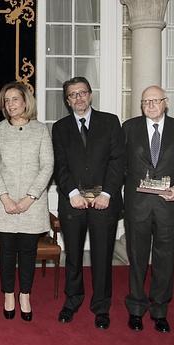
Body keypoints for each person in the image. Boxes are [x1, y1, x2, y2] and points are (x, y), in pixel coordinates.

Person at [52, 76, 125, 327]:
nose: (78, 98)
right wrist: (72, 193)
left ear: (90, 95)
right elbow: (59, 165)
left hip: (104, 201)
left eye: (82, 93)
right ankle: (72, 300)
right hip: (72, 202)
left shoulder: (110, 122)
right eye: (72, 95)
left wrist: (107, 194)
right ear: (67, 100)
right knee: (72, 255)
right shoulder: (60, 128)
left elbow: (118, 162)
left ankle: (101, 306)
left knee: (102, 256)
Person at [122, 86, 174, 333]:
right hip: (138, 206)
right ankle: (135, 309)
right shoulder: (129, 128)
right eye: (145, 102)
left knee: (164, 262)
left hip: (168, 205)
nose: (151, 105)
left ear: (166, 102)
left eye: (155, 100)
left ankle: (160, 310)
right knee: (137, 260)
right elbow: (120, 165)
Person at [0, 82, 54, 322]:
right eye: (6, 100)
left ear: (26, 101)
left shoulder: (41, 130)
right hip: (3, 203)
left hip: (32, 204)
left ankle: (25, 294)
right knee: (6, 252)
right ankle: (8, 295)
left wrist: (30, 197)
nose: (10, 104)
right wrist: (4, 197)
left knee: (27, 251)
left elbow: (47, 166)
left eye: (15, 99)